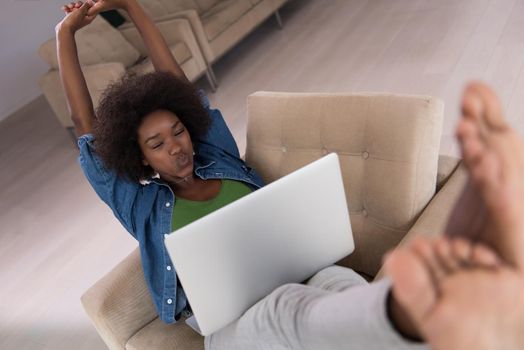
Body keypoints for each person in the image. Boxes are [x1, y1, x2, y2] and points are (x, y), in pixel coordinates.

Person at [58, 1, 524, 349]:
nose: (176, 146)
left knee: (341, 284)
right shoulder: (141, 205)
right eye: (157, 145)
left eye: (178, 131)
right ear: (138, 160)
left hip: (303, 277)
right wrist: (65, 34)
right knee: (284, 311)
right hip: (231, 323)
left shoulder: (214, 154)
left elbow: (180, 85)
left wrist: (131, 6)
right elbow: (86, 132)